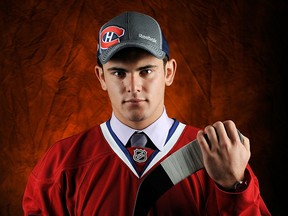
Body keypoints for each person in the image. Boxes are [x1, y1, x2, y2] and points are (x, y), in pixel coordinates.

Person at [22, 11, 271, 216]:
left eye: (146, 71)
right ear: (101, 77)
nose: (133, 86)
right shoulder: (61, 163)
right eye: (119, 72)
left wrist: (233, 187)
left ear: (169, 72)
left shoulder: (216, 155)